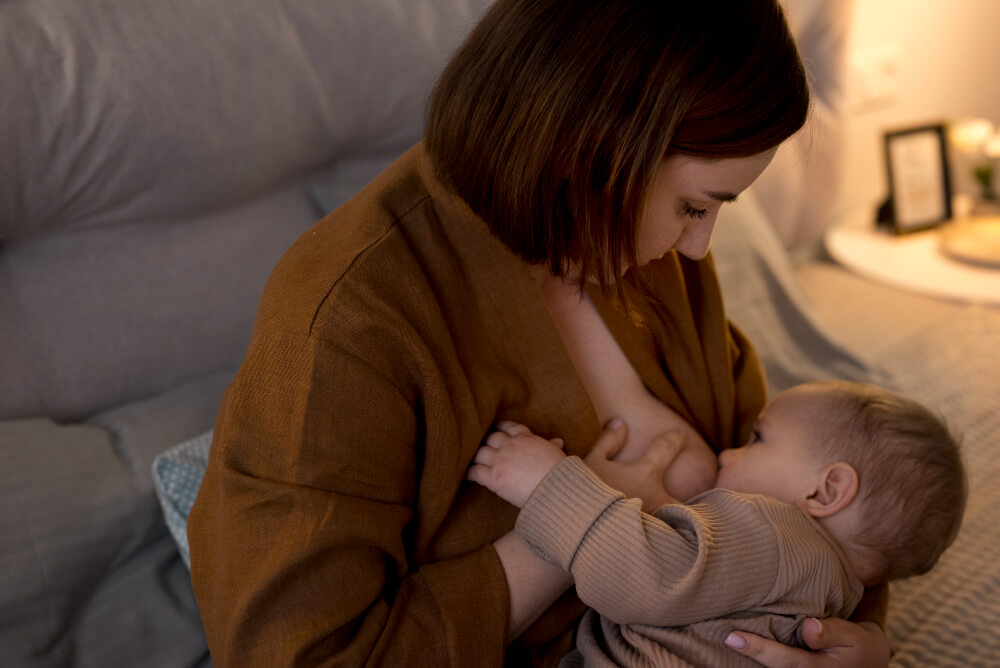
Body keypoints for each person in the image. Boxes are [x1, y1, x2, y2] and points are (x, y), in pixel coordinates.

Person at [187, 1, 892, 665]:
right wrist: (572, 525)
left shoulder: (641, 251)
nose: (699, 249)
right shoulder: (349, 320)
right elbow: (297, 652)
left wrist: (852, 637)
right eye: (692, 206)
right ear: (597, 147)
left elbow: (804, 499)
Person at [468, 380, 968, 666]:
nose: (727, 452)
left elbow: (650, 577)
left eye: (757, 438)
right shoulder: (835, 594)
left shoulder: (774, 532)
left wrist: (548, 483)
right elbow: (701, 576)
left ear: (826, 491)